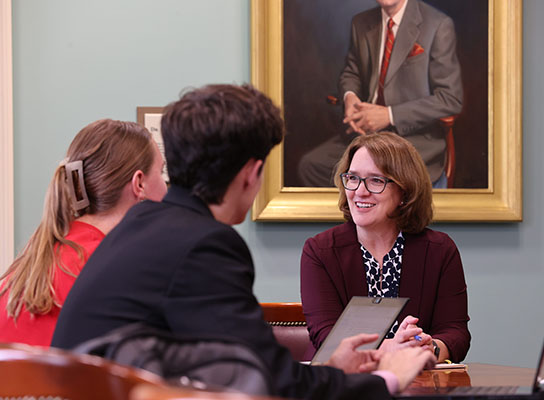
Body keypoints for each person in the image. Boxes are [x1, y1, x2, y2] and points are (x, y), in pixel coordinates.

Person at [51, 84, 435, 399]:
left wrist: (333, 371)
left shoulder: (142, 224)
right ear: (252, 173)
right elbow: (271, 382)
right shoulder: (204, 244)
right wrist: (388, 377)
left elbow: (244, 374)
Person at [301, 131, 470, 362]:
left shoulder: (440, 250)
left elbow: (456, 333)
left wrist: (429, 348)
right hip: (343, 388)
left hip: (417, 386)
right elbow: (327, 338)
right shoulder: (320, 251)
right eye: (352, 178)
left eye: (376, 180)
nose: (360, 191)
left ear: (405, 191)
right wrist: (388, 351)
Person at [0, 119, 168, 346]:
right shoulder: (115, 267)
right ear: (139, 184)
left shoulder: (30, 264)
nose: (168, 188)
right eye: (161, 171)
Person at [299, 0, 462, 188]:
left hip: (413, 140)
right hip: (364, 136)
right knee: (310, 166)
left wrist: (389, 115)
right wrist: (349, 96)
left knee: (377, 179)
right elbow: (352, 73)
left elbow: (451, 99)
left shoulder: (438, 25)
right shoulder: (361, 23)